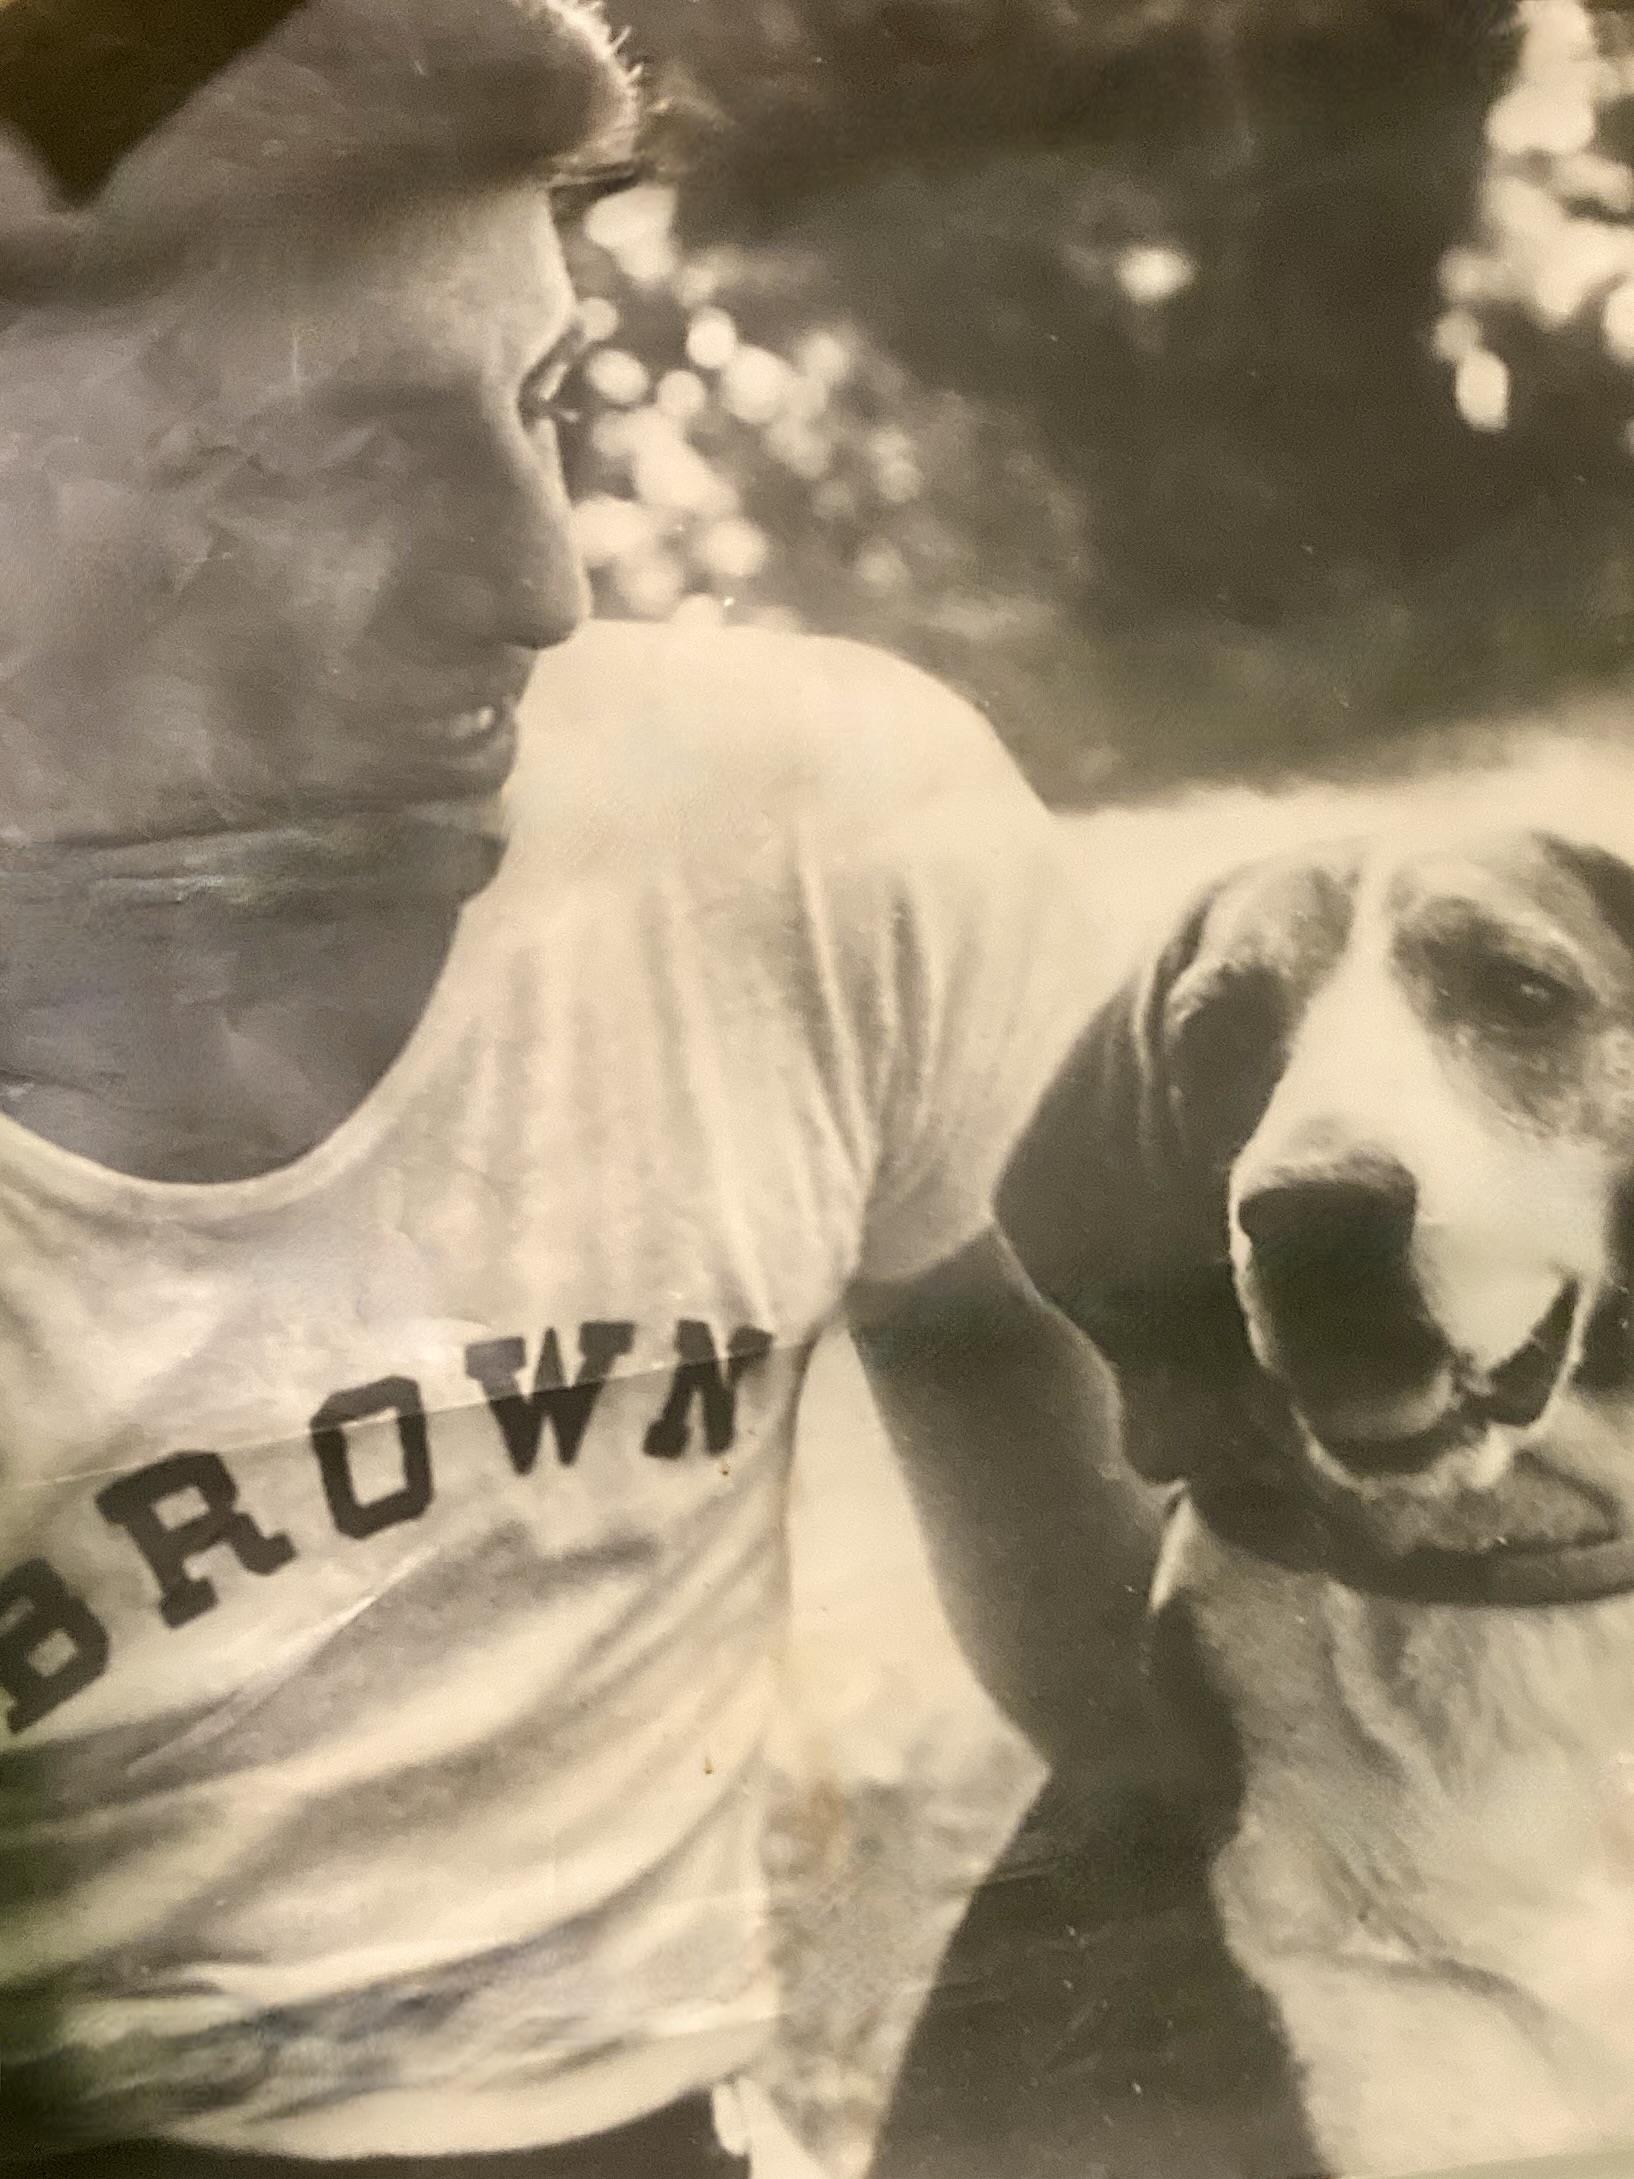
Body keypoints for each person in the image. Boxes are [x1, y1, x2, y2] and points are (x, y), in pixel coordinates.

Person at [0, 2, 1160, 2172]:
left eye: (541, 403)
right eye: (346, 457)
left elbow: (1200, 1709)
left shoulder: (806, 839)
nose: (542, 582)